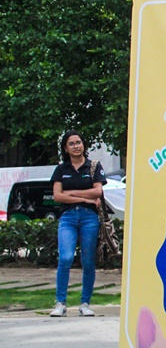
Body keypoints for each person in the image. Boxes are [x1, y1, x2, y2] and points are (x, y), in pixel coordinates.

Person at [50, 130, 107, 317]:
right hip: (67, 217)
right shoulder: (61, 169)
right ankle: (60, 303)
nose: (76, 146)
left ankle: (85, 303)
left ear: (84, 144)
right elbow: (57, 196)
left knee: (88, 261)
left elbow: (97, 191)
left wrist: (72, 194)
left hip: (89, 217)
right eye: (71, 143)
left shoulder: (94, 166)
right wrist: (85, 196)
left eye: (78, 142)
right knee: (65, 258)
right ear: (66, 148)